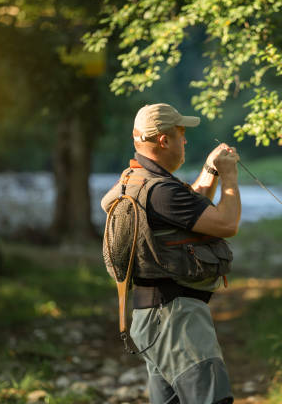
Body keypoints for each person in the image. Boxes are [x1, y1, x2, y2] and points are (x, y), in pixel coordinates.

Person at [101, 103, 241, 404]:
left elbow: (184, 212)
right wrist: (229, 176)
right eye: (181, 133)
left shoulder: (134, 180)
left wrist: (210, 171)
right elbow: (227, 224)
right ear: (164, 140)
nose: (185, 140)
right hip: (176, 319)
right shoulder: (162, 191)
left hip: (150, 316)